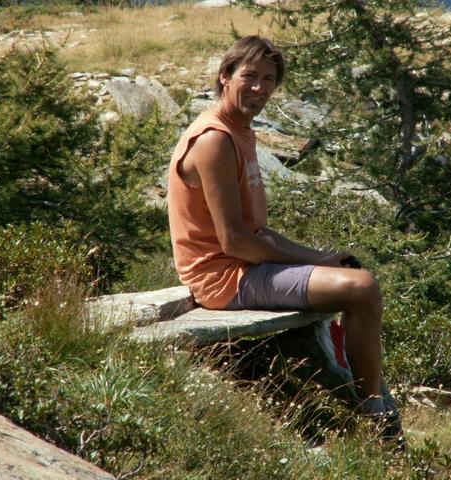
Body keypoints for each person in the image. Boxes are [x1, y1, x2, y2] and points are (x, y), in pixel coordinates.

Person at [168, 36, 401, 438]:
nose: (259, 88)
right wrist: (308, 262)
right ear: (225, 77)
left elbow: (257, 231)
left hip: (243, 268)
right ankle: (372, 413)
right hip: (224, 279)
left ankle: (356, 387)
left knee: (351, 273)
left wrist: (322, 258)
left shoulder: (240, 132)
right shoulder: (214, 140)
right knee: (362, 289)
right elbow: (235, 242)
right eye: (250, 76)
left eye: (269, 79)